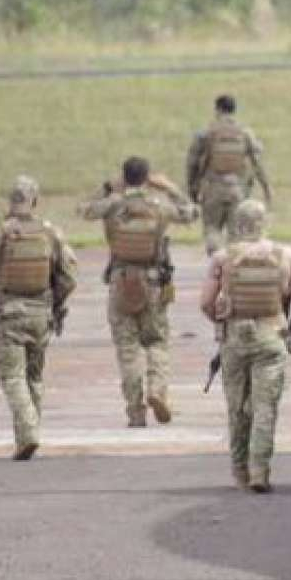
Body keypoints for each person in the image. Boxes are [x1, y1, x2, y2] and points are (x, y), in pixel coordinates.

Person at [79, 157, 199, 427]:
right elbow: (192, 212)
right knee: (157, 341)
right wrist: (170, 188)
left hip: (121, 282)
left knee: (127, 347)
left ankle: (135, 410)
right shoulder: (161, 207)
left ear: (125, 176)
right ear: (147, 178)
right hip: (155, 283)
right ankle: (157, 389)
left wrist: (108, 187)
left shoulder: (113, 205)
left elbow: (83, 210)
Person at [200, 199, 291, 492]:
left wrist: (222, 322)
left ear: (236, 223)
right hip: (271, 336)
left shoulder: (222, 258)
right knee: (265, 407)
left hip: (234, 338)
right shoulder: (285, 255)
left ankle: (239, 472)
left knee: (236, 407)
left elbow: (205, 303)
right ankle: (259, 471)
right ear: (264, 223)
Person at [0, 176, 78, 460]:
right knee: (34, 377)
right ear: (35, 200)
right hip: (41, 315)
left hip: (9, 316)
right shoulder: (51, 233)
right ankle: (27, 437)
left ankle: (28, 433)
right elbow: (68, 277)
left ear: (11, 201)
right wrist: (56, 304)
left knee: (12, 376)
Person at [186, 94, 273, 255]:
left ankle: (216, 264)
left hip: (212, 189)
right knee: (236, 235)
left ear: (217, 109)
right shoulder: (245, 133)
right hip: (238, 190)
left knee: (212, 229)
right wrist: (267, 189)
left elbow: (192, 163)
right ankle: (232, 269)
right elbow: (257, 163)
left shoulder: (205, 133)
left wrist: (192, 189)